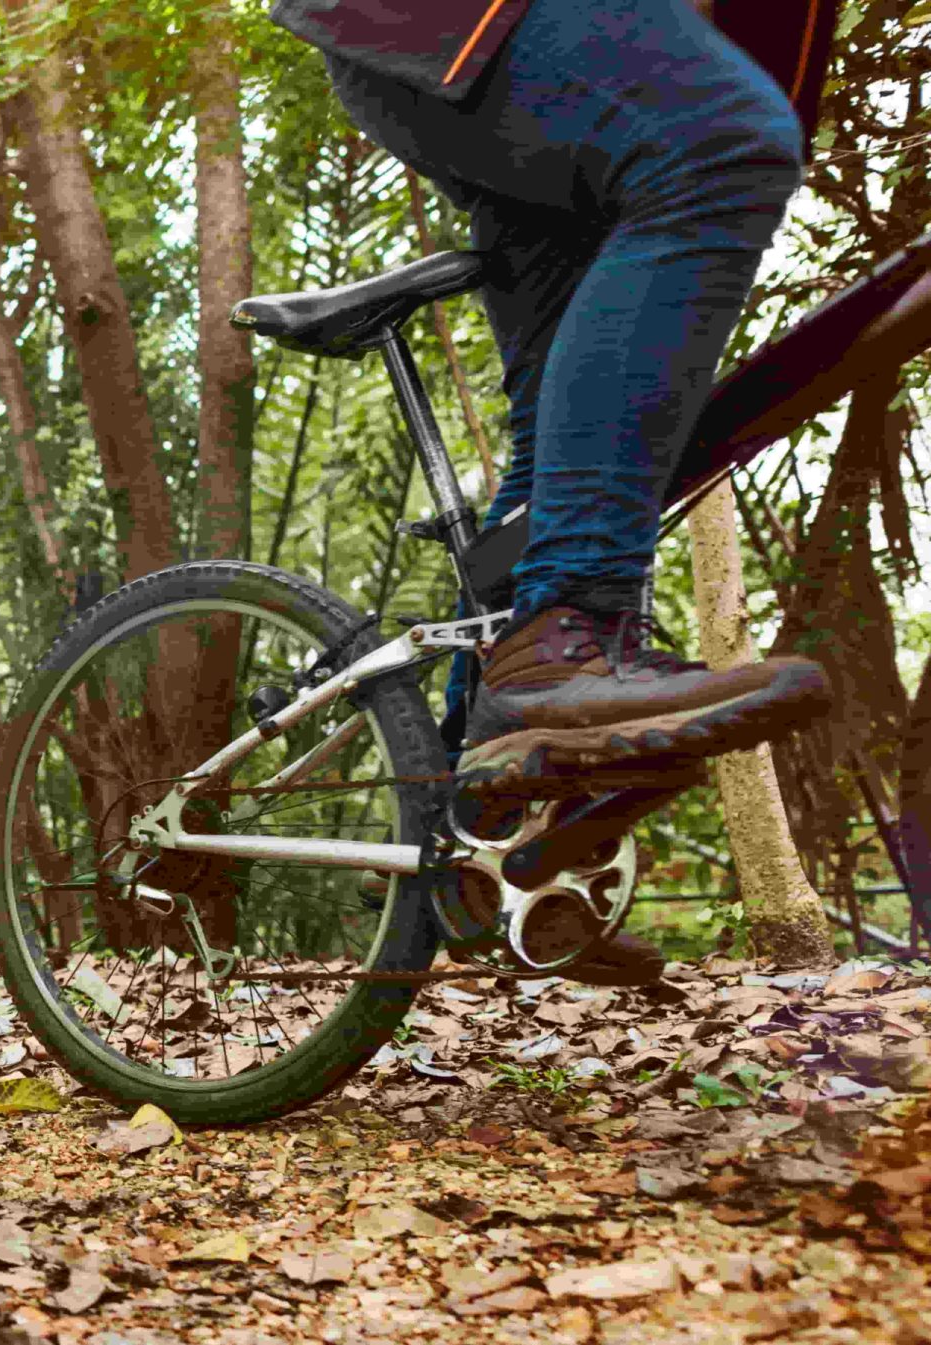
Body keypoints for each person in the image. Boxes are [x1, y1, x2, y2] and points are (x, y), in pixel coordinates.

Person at [268, 0, 836, 794]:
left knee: (557, 455)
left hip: (528, 44)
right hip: (471, 23)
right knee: (720, 147)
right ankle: (564, 629)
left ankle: (470, 821)